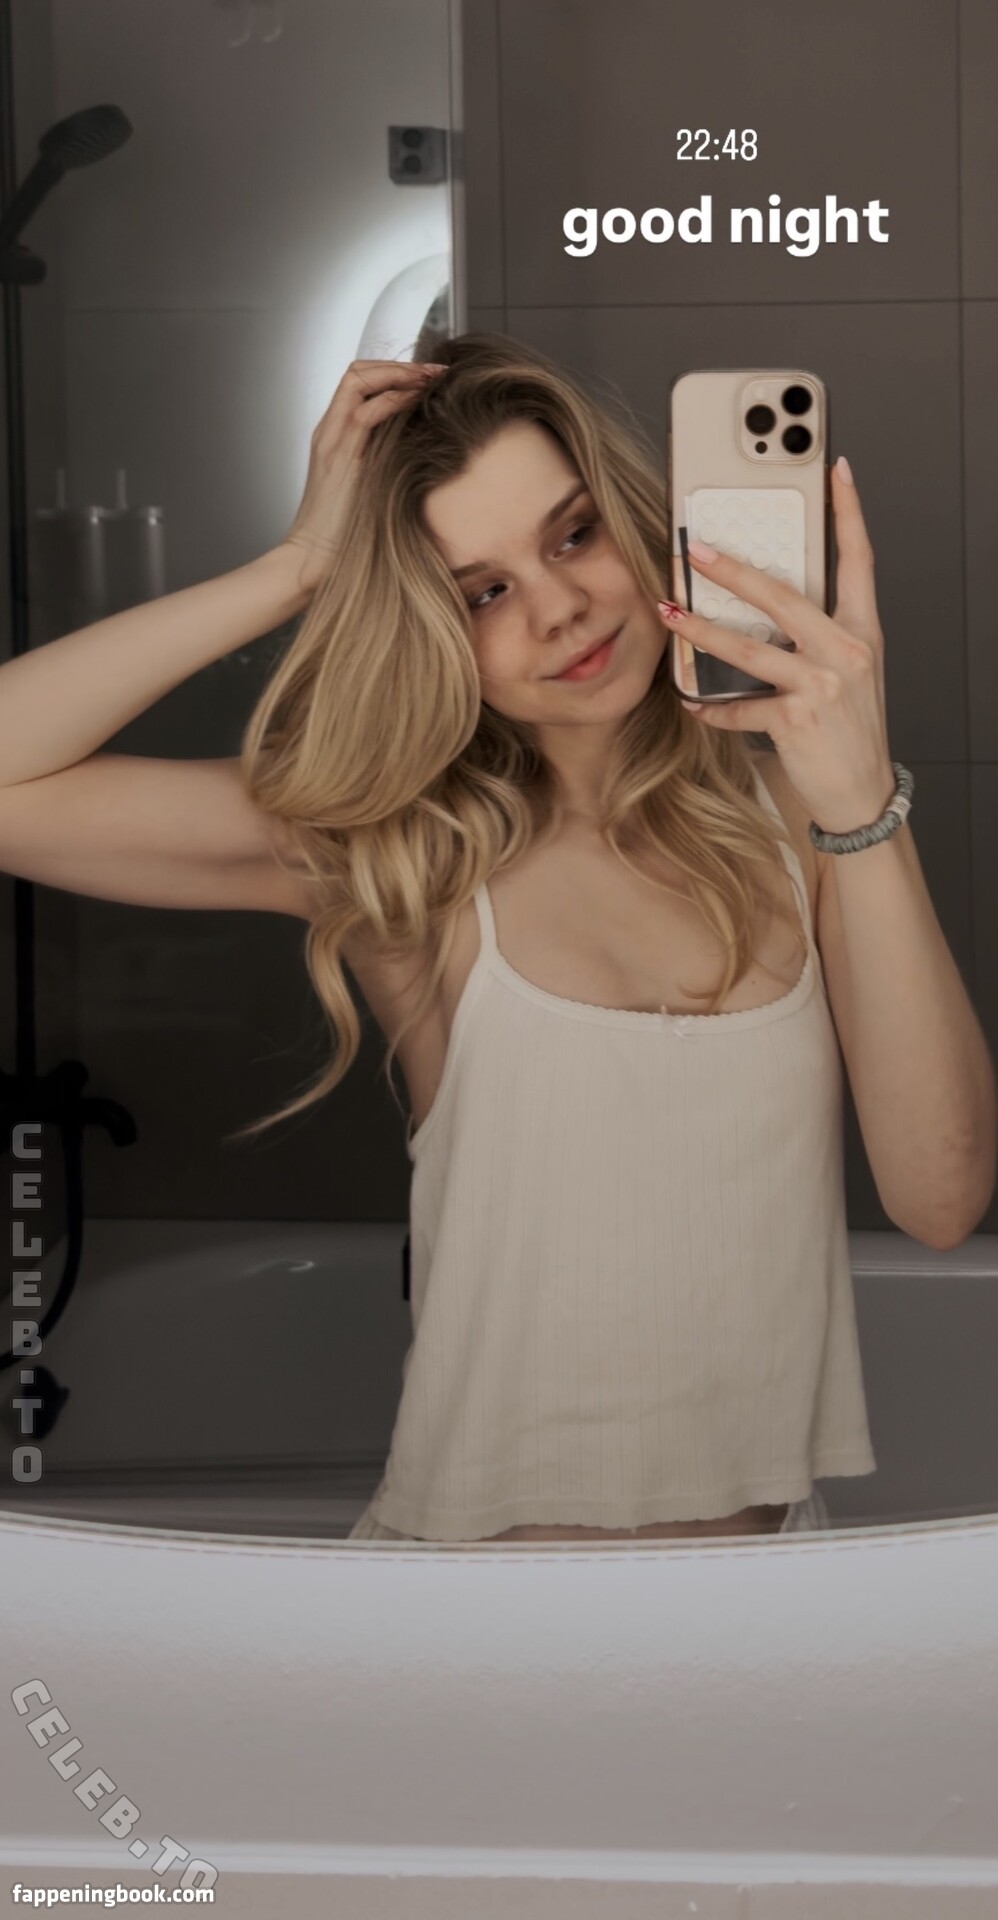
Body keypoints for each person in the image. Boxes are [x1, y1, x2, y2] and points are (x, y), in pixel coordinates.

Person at [0, 332, 992, 1546]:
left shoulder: (804, 818)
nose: (559, 609)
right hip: (470, 1608)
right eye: (482, 592)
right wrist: (295, 567)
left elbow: (940, 1199)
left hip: (766, 1585)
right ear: (426, 626)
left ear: (638, 519)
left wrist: (859, 801)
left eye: (572, 535)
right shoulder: (403, 858)